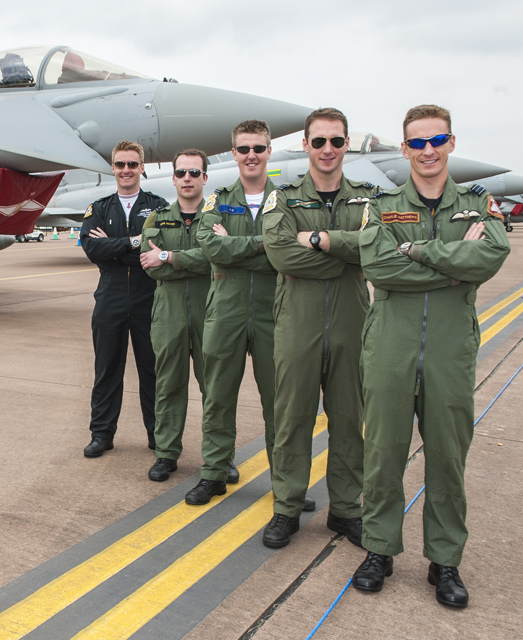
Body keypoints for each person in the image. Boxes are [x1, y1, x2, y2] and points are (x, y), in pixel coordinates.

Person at [351, 105, 509, 608]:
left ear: (451, 142)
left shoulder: (478, 203)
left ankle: (445, 561)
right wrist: (452, 259)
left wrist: (417, 252)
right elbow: (378, 266)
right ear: (404, 149)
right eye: (417, 143)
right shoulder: (380, 205)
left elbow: (490, 256)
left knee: (447, 456)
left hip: (450, 349)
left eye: (435, 140)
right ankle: (379, 549)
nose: (427, 151)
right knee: (382, 454)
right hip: (390, 348)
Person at [261, 108, 379, 548]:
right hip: (297, 326)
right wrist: (347, 258)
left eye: (335, 141)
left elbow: (377, 251)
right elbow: (281, 256)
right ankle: (287, 508)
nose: (327, 149)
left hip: (352, 326)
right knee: (292, 419)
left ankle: (346, 510)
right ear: (305, 146)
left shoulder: (368, 199)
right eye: (318, 141)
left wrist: (319, 240)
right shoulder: (285, 198)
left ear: (346, 144)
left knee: (350, 421)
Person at [193, 120, 309, 507]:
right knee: (217, 396)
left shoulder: (288, 200)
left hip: (274, 312)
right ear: (234, 153)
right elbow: (211, 247)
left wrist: (241, 246)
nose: (251, 156)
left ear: (269, 151)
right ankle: (214, 473)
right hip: (224, 312)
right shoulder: (217, 198)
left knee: (280, 403)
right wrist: (267, 247)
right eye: (243, 149)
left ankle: (285, 484)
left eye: (258, 148)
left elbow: (289, 252)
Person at [80, 140, 169, 458]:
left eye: (132, 164)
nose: (126, 170)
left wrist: (115, 246)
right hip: (111, 297)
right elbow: (92, 249)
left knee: (153, 369)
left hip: (150, 297)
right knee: (107, 368)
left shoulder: (159, 207)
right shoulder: (100, 208)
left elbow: (159, 247)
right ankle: (101, 434)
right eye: (120, 164)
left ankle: (158, 435)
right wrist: (134, 242)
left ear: (142, 167)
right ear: (113, 168)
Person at [138, 150, 215, 485]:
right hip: (168, 312)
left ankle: (218, 457)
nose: (187, 178)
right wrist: (190, 262)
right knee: (169, 384)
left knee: (215, 388)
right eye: (181, 172)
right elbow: (148, 264)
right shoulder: (156, 219)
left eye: (194, 172)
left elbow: (217, 258)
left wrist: (168, 258)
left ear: (204, 178)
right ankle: (166, 453)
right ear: (173, 178)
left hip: (210, 310)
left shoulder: (214, 219)